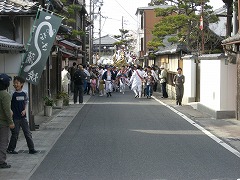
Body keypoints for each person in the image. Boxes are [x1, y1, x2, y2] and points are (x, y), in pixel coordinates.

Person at [7, 76, 37, 155]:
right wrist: (10, 111)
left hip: (23, 117)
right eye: (14, 83)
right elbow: (8, 103)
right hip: (15, 118)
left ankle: (31, 148)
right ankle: (10, 149)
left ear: (22, 84)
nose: (15, 84)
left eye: (17, 83)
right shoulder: (12, 93)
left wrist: (25, 110)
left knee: (27, 133)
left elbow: (26, 102)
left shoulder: (25, 92)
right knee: (15, 134)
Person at [0, 73, 14, 168]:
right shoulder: (5, 95)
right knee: (3, 142)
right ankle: (1, 162)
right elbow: (7, 110)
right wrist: (11, 122)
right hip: (3, 123)